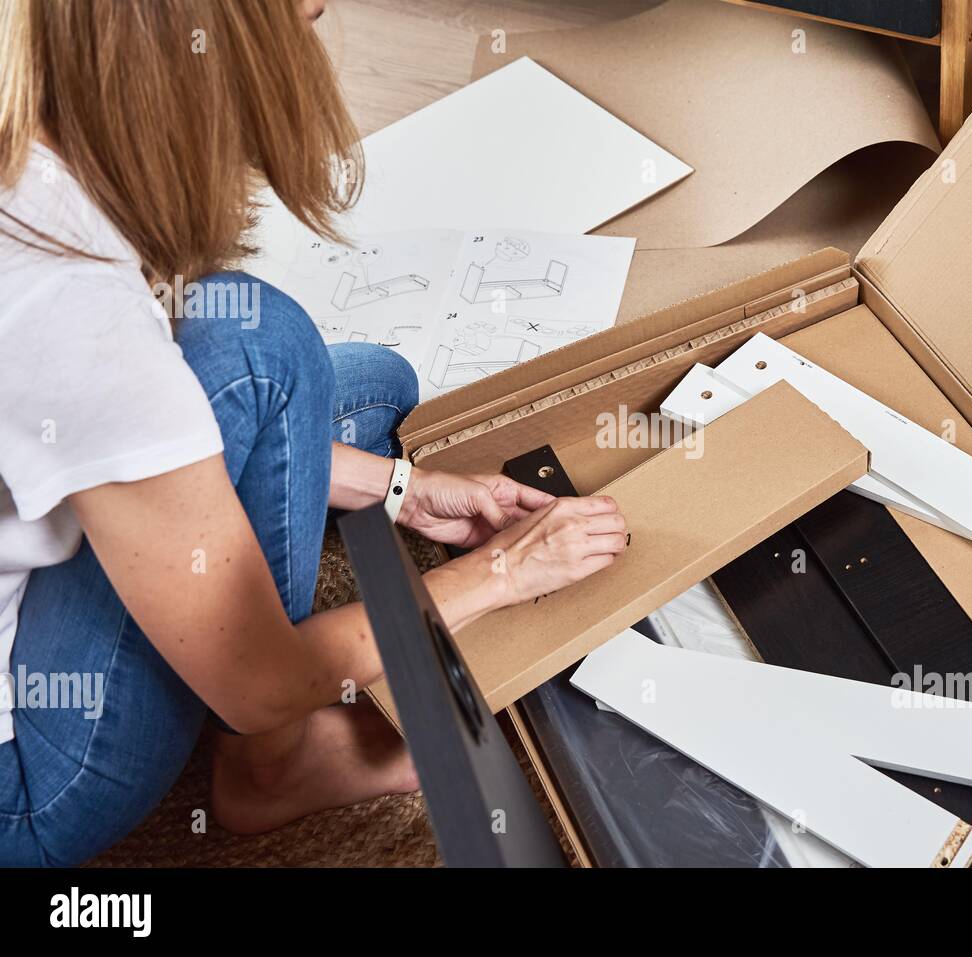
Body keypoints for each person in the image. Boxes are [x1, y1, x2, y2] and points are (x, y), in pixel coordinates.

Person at [0, 0, 626, 866]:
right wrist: (507, 572)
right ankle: (271, 771)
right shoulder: (66, 303)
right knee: (262, 344)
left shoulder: (27, 136)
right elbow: (258, 683)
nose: (313, 10)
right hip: (22, 791)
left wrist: (402, 490)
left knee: (370, 386)